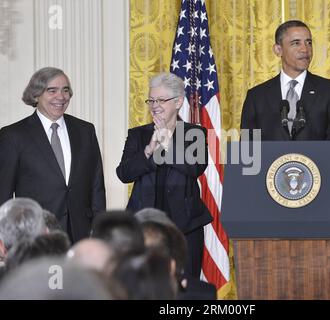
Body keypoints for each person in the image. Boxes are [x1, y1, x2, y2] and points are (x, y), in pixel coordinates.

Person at [116, 72, 212, 278]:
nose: (154, 105)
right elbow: (124, 174)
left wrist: (168, 143)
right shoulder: (137, 134)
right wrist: (149, 150)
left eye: (160, 100)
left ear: (178, 102)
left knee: (186, 287)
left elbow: (195, 168)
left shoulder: (195, 133)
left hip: (186, 226)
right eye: (151, 100)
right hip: (144, 225)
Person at [0, 67, 106, 243]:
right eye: (52, 90)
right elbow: (3, 192)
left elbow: (96, 186)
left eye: (65, 90)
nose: (61, 96)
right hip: (35, 235)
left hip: (81, 234)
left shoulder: (85, 130)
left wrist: (100, 230)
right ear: (36, 95)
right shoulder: (13, 136)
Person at [240, 20, 330, 141]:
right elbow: (246, 150)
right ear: (278, 50)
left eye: (308, 43)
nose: (305, 49)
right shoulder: (256, 96)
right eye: (296, 43)